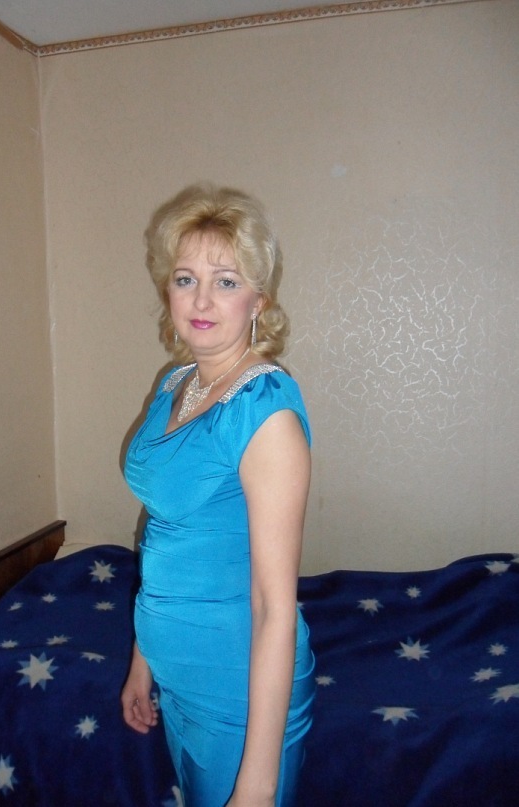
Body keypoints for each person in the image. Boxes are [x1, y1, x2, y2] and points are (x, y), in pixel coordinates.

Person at [122, 183, 315, 807]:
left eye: (226, 281)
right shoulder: (176, 383)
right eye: (186, 279)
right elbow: (165, 533)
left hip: (236, 694)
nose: (201, 299)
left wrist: (256, 785)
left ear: (260, 298)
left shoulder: (265, 412)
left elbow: (273, 607)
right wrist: (143, 661)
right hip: (177, 676)